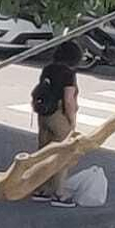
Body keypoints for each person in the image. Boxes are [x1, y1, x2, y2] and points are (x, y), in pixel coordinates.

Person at [30, 41, 82, 202]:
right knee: (63, 153)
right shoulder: (68, 74)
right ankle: (59, 193)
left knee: (44, 152)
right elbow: (68, 100)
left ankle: (41, 189)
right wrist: (72, 121)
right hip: (59, 114)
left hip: (44, 114)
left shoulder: (48, 69)